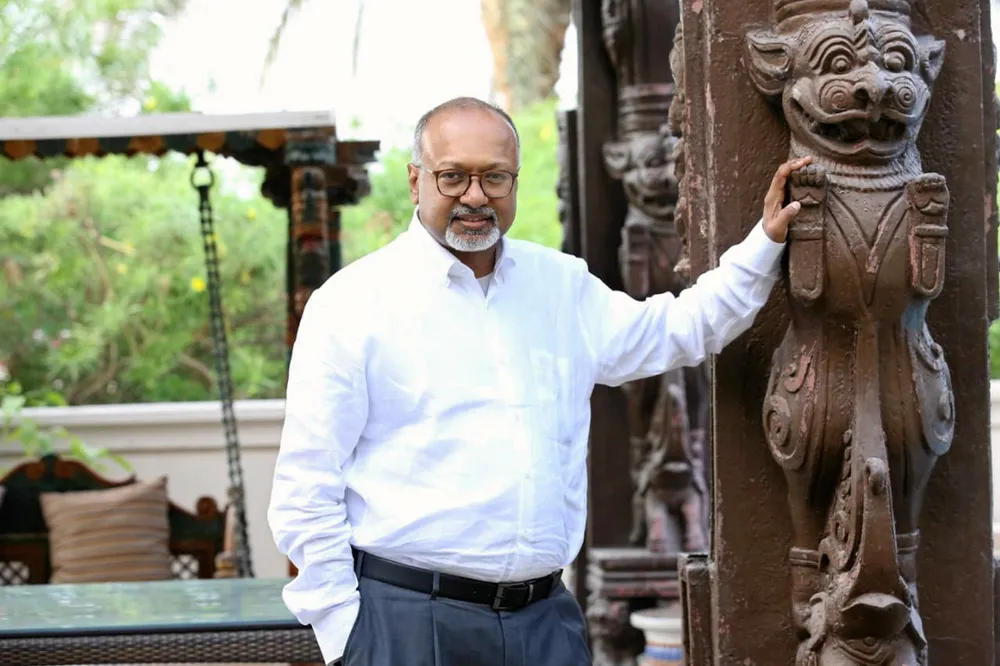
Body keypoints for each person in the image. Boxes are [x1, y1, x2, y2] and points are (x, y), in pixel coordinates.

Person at [267, 96, 811, 666]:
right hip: (407, 626)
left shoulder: (559, 286)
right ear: (415, 181)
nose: (475, 196)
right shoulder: (352, 304)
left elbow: (677, 329)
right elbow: (307, 486)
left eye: (494, 177)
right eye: (452, 176)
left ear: (515, 181)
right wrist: (347, 633)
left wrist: (766, 242)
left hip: (545, 624)